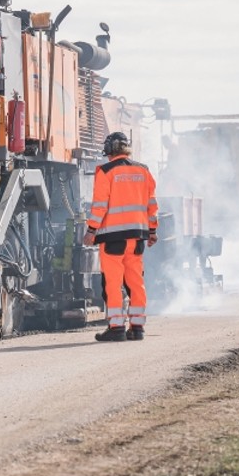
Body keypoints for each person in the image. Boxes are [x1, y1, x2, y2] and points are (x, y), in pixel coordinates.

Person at [84, 131, 158, 342]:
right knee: (135, 282)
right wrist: (152, 231)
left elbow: (100, 206)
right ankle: (137, 328)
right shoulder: (143, 171)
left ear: (108, 150)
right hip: (137, 238)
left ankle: (116, 327)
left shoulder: (106, 171)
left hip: (112, 239)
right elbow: (151, 204)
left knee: (113, 283)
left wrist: (91, 231)